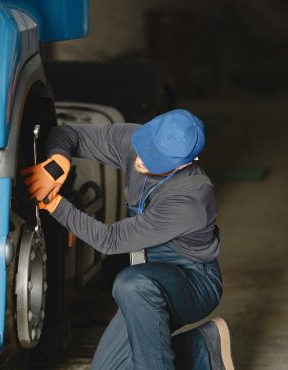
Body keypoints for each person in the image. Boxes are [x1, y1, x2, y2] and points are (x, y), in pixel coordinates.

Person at [21, 109, 234, 370]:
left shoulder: (192, 199)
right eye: (146, 148)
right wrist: (58, 164)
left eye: (156, 159)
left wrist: (55, 205)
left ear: (185, 164)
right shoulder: (138, 140)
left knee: (130, 283)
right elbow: (67, 133)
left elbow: (110, 240)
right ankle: (203, 348)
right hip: (145, 282)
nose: (143, 159)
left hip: (191, 280)